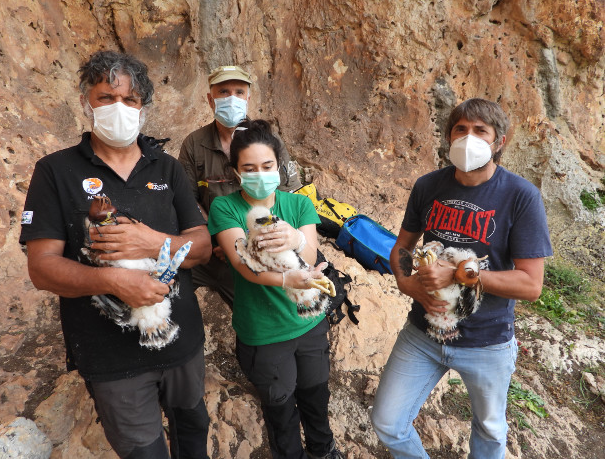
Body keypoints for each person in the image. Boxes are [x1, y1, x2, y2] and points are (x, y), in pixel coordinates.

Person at [19, 50, 212, 459]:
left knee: (193, 435)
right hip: (110, 357)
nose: (119, 108)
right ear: (87, 101)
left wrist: (153, 243)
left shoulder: (167, 168)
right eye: (107, 98)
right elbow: (42, 268)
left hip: (184, 344)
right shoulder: (55, 172)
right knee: (144, 452)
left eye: (130, 100)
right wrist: (112, 280)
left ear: (143, 109)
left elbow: (203, 245)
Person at [370, 98, 553, 458]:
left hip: (487, 342)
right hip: (422, 334)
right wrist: (405, 283)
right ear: (448, 137)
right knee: (388, 423)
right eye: (461, 129)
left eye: (480, 131)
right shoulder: (428, 186)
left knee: (489, 431)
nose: (468, 137)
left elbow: (531, 284)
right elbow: (402, 246)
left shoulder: (521, 196)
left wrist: (458, 273)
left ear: (499, 141)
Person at [206, 119, 344, 459]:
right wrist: (286, 278)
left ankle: (323, 451)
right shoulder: (226, 208)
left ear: (278, 166)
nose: (259, 174)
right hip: (264, 332)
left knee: (315, 396)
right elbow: (243, 264)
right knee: (280, 411)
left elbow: (310, 253)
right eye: (249, 167)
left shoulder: (297, 205)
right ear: (236, 171)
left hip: (309, 323)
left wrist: (296, 238)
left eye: (267, 166)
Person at [178, 65, 301, 308]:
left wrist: (247, 242)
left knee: (261, 307)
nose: (231, 98)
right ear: (210, 99)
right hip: (212, 250)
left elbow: (289, 193)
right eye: (223, 92)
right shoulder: (194, 144)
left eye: (239, 91)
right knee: (170, 290)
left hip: (261, 245)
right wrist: (220, 239)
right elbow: (187, 200)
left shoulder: (269, 141)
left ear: (248, 98)